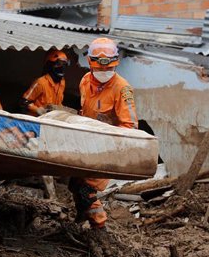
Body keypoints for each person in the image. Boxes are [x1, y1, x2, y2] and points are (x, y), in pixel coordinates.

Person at [70, 37, 138, 230]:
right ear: (91, 64)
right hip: (86, 143)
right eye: (99, 69)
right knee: (75, 184)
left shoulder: (122, 89)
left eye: (108, 69)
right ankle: (80, 221)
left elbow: (130, 126)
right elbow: (83, 112)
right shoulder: (85, 81)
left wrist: (112, 144)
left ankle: (100, 231)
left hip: (107, 148)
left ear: (115, 64)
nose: (104, 73)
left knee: (87, 191)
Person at [20, 50, 69, 116]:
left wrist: (63, 110)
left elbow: (58, 103)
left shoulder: (62, 83)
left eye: (64, 65)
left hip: (50, 119)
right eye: (59, 64)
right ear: (50, 65)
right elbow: (24, 102)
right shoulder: (41, 82)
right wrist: (37, 110)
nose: (62, 67)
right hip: (36, 119)